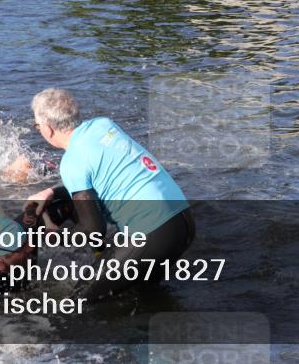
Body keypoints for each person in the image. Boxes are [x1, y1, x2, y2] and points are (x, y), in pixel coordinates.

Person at [27, 88, 194, 301]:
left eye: (37, 126)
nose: (38, 130)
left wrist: (50, 235)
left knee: (79, 300)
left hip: (152, 234)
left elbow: (92, 230)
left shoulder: (72, 163)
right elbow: (102, 175)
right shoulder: (104, 125)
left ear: (48, 129)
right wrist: (51, 191)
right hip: (183, 222)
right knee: (146, 295)